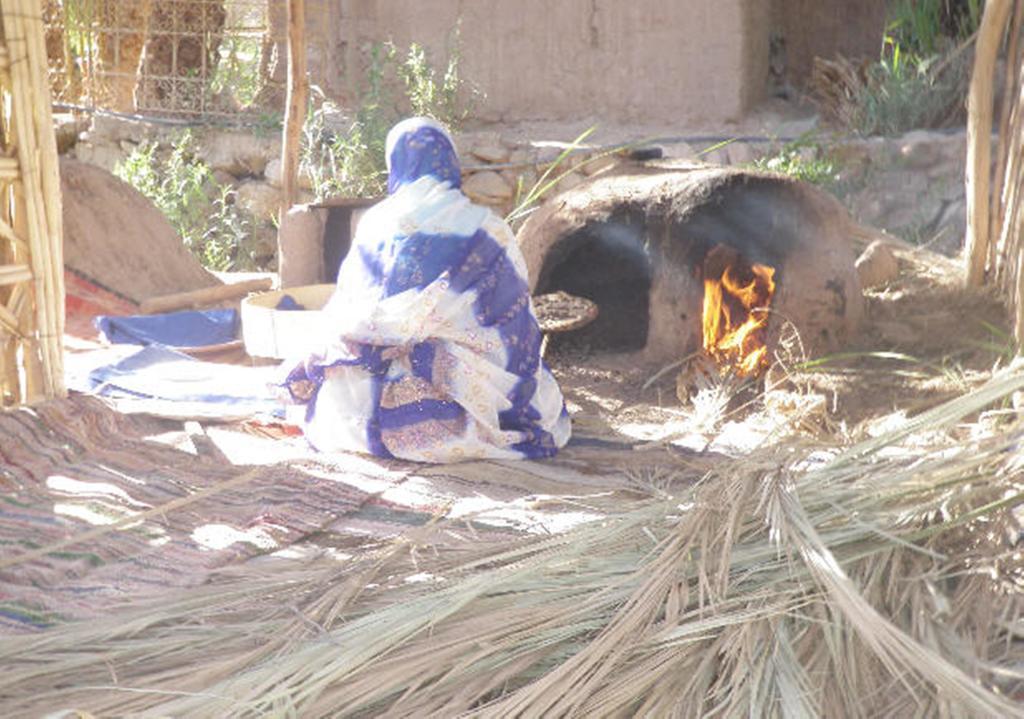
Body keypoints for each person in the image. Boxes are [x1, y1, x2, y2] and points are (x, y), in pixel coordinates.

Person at [281, 117, 571, 462]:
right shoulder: (489, 229)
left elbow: (346, 311)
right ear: (450, 164)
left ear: (396, 166)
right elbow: (514, 323)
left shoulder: (375, 222)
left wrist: (390, 333)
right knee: (529, 384)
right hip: (455, 382)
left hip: (355, 398)